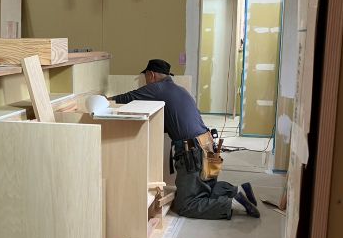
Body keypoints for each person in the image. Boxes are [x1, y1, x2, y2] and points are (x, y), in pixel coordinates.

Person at [109, 59, 260, 220]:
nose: (145, 81)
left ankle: (233, 204)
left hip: (192, 151)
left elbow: (127, 98)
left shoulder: (157, 88)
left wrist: (104, 100)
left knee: (185, 205)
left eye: (145, 77)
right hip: (208, 145)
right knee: (206, 188)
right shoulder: (180, 90)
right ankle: (238, 191)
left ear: (151, 75)